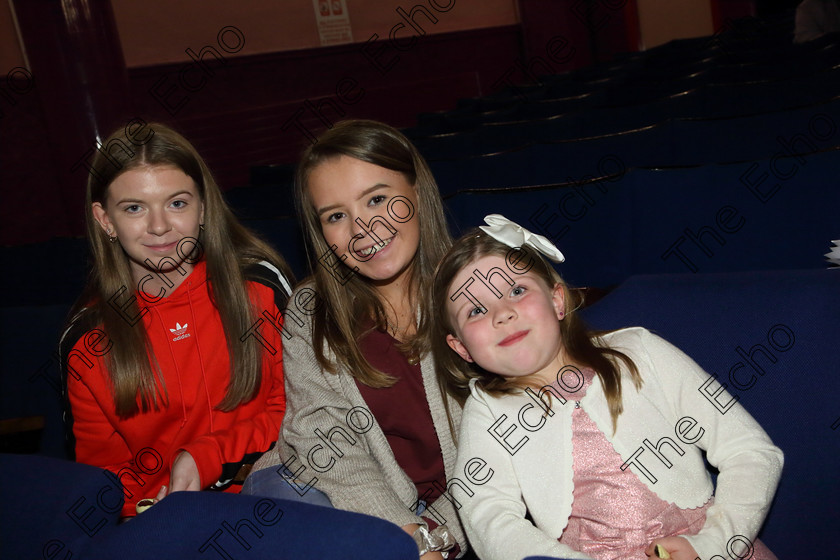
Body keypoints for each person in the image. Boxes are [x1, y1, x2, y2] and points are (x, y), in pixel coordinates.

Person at [430, 215, 783, 560]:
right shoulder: (489, 411)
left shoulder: (639, 351)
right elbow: (489, 518)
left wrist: (713, 543)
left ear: (556, 300)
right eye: (476, 310)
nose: (502, 313)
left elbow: (751, 451)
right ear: (460, 346)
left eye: (517, 290)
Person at [248, 120, 468, 559]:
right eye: (336, 215)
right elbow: (321, 439)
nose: (362, 228)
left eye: (378, 198)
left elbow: (509, 452)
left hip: (461, 505)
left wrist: (437, 538)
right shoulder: (311, 309)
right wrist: (404, 534)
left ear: (417, 192)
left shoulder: (477, 291)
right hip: (326, 486)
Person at [61, 121, 294, 517]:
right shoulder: (87, 340)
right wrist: (150, 515)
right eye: (134, 208)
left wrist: (209, 457)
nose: (158, 226)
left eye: (177, 203)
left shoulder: (259, 287)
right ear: (105, 220)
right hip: (163, 521)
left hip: (272, 493)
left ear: (202, 207)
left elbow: (300, 410)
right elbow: (103, 478)